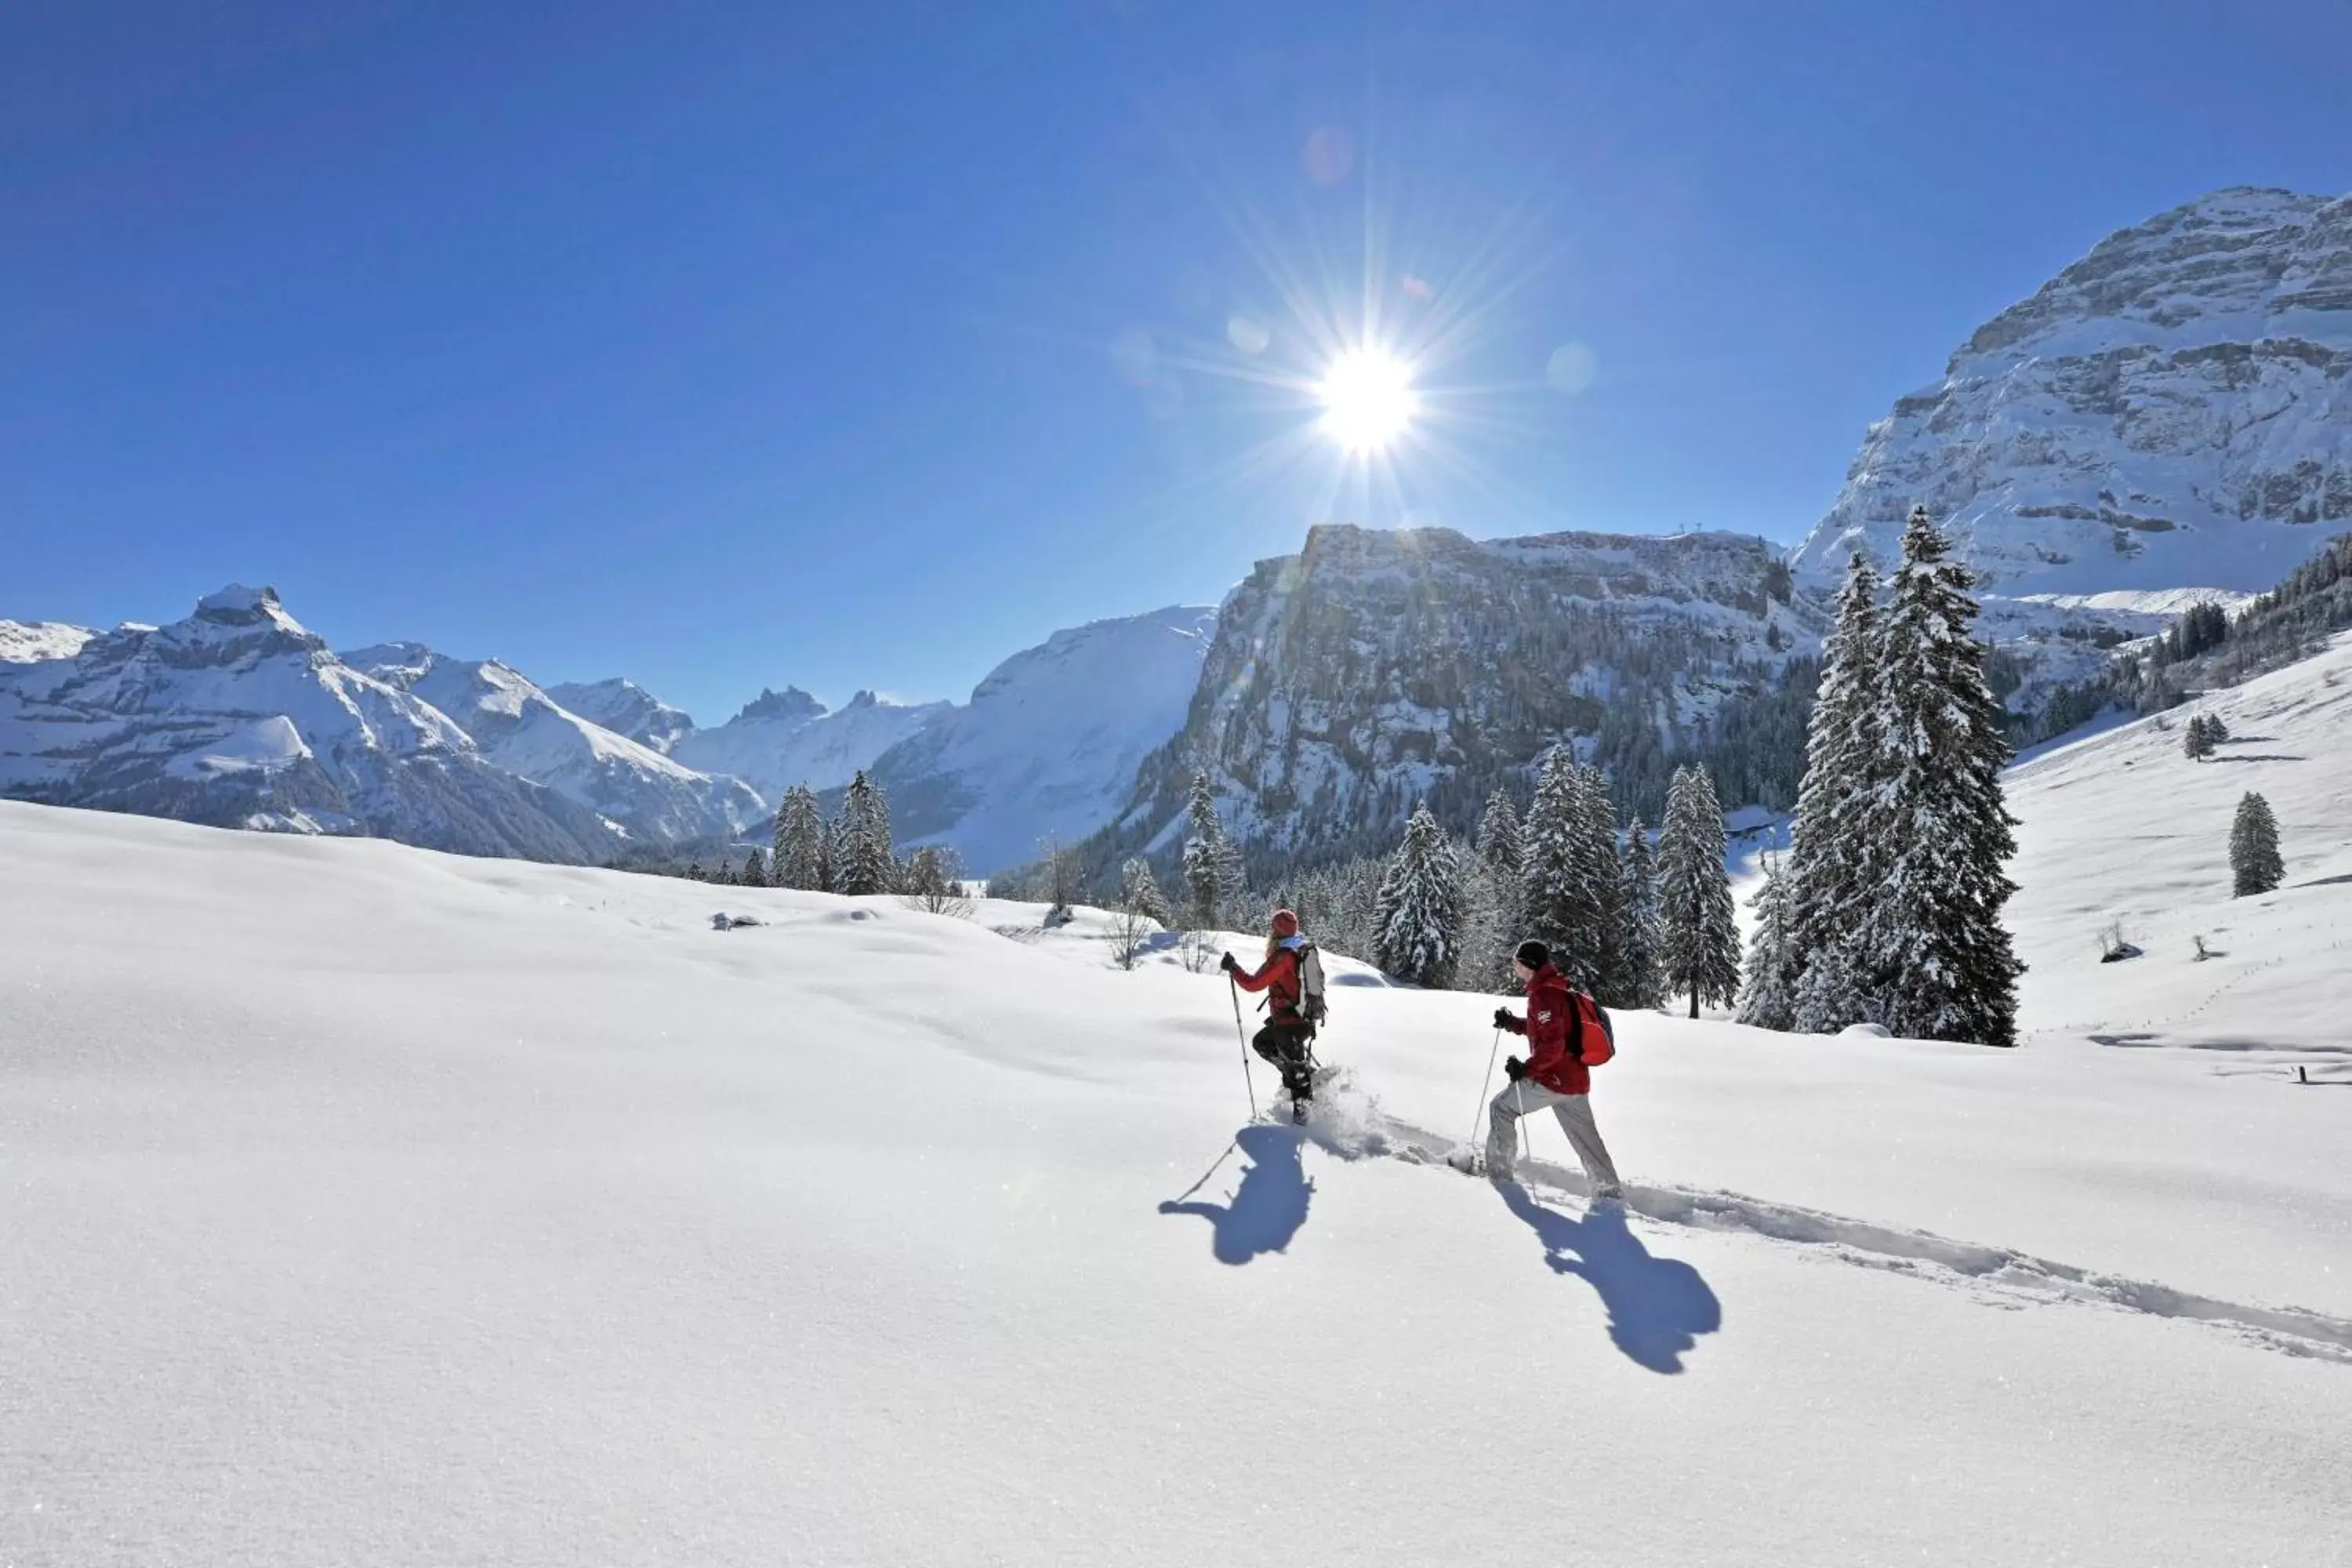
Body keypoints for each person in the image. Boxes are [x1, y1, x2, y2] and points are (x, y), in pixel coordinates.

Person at [1487, 938, 1623, 1200]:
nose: (1514, 966)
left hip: (1552, 1080)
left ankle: (1500, 1175)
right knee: (1587, 1142)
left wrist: (1525, 1069)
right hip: (1575, 1081)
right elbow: (1548, 1028)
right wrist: (1512, 1023)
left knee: (1501, 1108)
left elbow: (1553, 1045)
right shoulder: (1555, 988)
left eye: (1517, 962)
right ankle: (1609, 1192)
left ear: (1529, 964)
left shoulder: (1544, 994)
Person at [1222, 909, 1317, 1122]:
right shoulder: (1298, 949)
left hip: (1290, 1024)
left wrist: (1233, 968)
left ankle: (1304, 1125)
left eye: (1272, 928)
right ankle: (1301, 1075)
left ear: (1277, 932)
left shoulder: (1283, 956)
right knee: (1264, 1043)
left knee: (1298, 1078)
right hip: (1298, 1021)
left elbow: (1253, 984)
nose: (1269, 932)